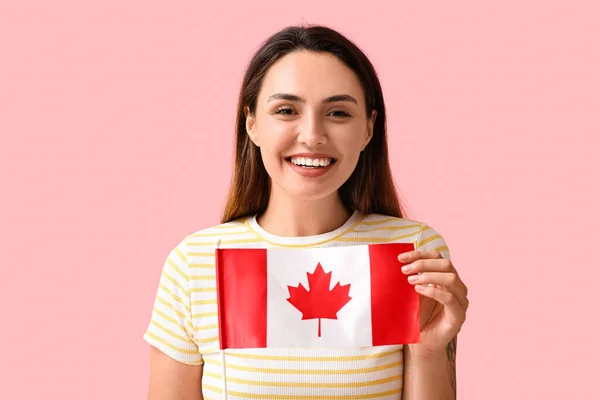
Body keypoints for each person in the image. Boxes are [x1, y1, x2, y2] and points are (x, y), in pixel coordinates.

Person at [144, 24, 469, 400]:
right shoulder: (196, 263)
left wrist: (428, 353)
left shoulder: (409, 252)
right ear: (251, 124)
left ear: (368, 129)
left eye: (338, 112)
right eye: (286, 110)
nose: (312, 135)